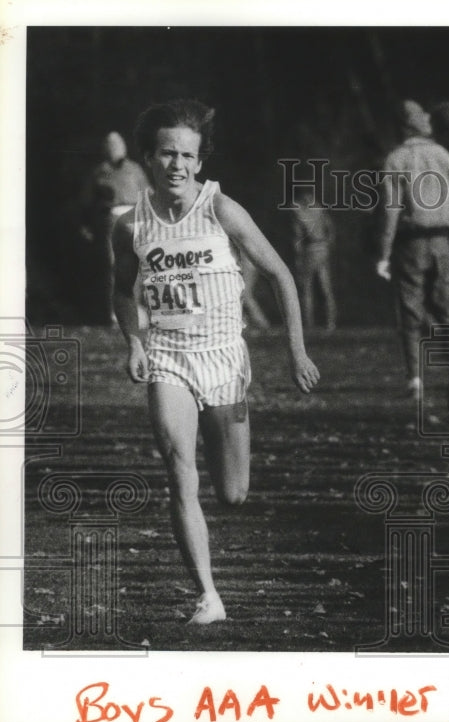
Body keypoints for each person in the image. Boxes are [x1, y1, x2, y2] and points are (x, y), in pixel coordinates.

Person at [112, 99, 319, 624]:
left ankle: (221, 453)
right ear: (148, 158)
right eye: (167, 154)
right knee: (179, 471)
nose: (177, 165)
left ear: (199, 162)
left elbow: (281, 276)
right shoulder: (131, 224)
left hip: (224, 360)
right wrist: (135, 342)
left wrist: (296, 350)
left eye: (187, 155)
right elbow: (120, 290)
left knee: (232, 494)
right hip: (168, 358)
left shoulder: (221, 209)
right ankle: (208, 594)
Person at [376, 99, 449, 400]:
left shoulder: (395, 159)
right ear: (413, 122)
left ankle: (415, 378)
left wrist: (384, 252)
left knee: (410, 312)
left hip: (410, 243)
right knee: (448, 311)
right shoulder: (442, 155)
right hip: (442, 240)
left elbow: (391, 209)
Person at [80, 131, 150, 324]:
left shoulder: (135, 170)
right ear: (105, 149)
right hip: (112, 219)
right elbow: (87, 202)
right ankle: (116, 313)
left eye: (117, 144)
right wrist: (86, 226)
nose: (114, 147)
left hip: (136, 218)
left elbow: (148, 196)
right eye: (110, 144)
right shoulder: (100, 172)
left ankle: (136, 310)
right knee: (115, 266)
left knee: (137, 265)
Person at [289, 191, 337, 333]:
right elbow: (331, 229)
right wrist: (327, 245)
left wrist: (297, 257)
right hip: (322, 248)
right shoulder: (319, 207)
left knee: (306, 288)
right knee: (325, 287)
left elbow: (297, 236)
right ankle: (330, 323)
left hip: (310, 250)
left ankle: (308, 324)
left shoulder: (296, 209)